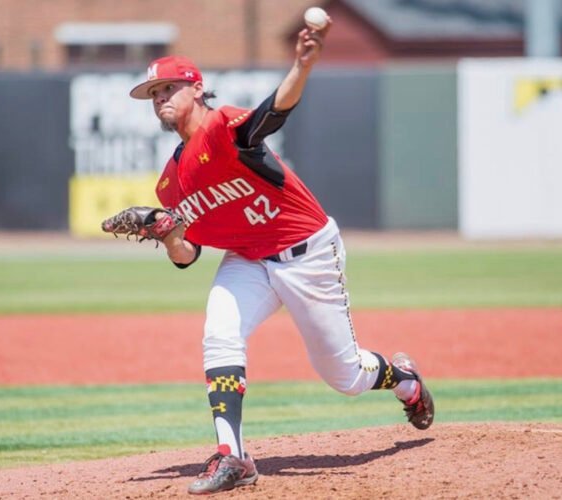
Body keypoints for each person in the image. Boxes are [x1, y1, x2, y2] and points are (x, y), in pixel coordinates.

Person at [126, 17, 434, 495]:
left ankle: (406, 381)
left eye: (168, 87)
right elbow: (187, 255)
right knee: (220, 333)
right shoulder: (169, 182)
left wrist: (302, 65)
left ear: (197, 89)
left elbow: (273, 112)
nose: (160, 98)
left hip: (307, 253)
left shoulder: (223, 127)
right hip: (249, 259)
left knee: (345, 376)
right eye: (153, 94)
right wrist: (167, 235)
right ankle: (233, 457)